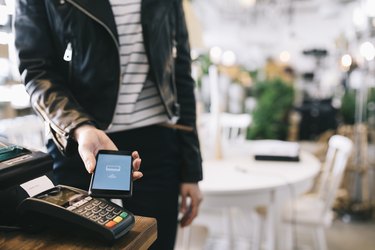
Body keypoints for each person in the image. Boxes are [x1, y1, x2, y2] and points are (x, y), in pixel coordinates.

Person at [14, 0, 203, 249]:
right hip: (78, 142)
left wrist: (191, 170)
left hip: (157, 144)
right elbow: (36, 69)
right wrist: (79, 127)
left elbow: (180, 69)